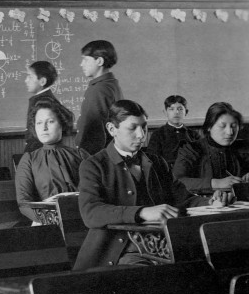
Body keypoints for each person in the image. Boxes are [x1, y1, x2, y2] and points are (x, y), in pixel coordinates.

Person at [74, 100, 211, 271]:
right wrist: (142, 212)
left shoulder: (157, 162)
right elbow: (91, 212)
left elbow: (184, 199)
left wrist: (211, 204)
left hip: (159, 246)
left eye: (144, 127)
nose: (141, 135)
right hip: (117, 252)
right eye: (132, 128)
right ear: (111, 129)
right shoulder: (93, 165)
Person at [16, 98, 88, 223]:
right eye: (39, 123)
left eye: (50, 121)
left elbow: (93, 192)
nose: (44, 128)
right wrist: (49, 220)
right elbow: (24, 203)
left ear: (62, 124)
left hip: (83, 218)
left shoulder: (81, 155)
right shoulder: (29, 160)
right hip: (46, 221)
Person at [172, 102, 249, 194]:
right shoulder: (191, 149)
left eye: (234, 126)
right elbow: (176, 182)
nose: (230, 132)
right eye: (222, 126)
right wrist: (215, 183)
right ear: (209, 127)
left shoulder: (244, 148)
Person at [75, 40, 123, 155]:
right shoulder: (110, 84)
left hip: (93, 157)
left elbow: (95, 131)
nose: (81, 64)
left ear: (100, 61)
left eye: (86, 59)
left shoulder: (99, 89)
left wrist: (87, 160)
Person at [23, 60, 71, 152]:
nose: (26, 80)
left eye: (30, 76)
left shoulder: (44, 103)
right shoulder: (39, 99)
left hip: (41, 154)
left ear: (42, 81)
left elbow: (37, 137)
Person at [146, 95, 196, 167]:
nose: (176, 112)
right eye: (171, 109)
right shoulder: (157, 134)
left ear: (186, 112)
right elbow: (153, 159)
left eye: (180, 109)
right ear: (165, 112)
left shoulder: (193, 135)